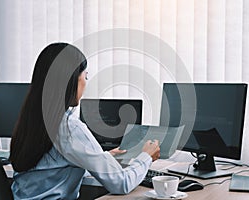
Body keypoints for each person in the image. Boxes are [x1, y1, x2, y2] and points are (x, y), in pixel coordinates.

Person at [9, 42, 160, 200]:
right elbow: (121, 183)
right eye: (85, 77)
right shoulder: (69, 128)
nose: (86, 84)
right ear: (71, 81)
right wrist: (146, 156)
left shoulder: (34, 118)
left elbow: (53, 167)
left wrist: (101, 157)